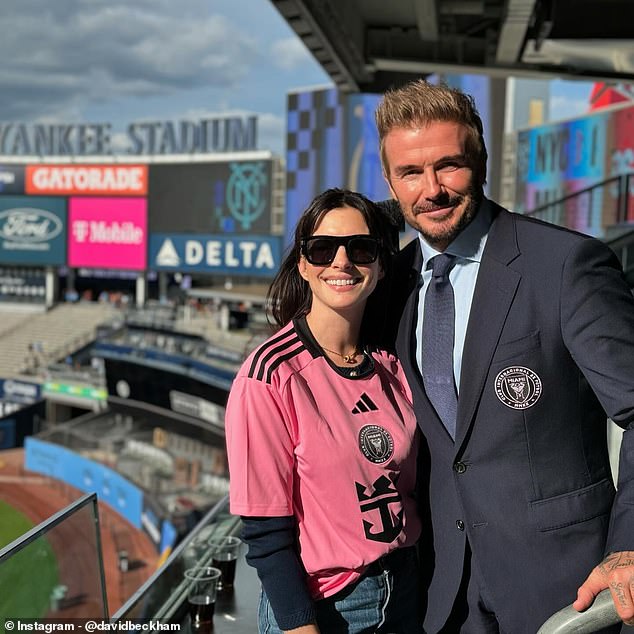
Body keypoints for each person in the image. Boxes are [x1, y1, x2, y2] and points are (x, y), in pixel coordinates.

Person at [371, 79, 634, 633]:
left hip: (566, 591)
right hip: (442, 596)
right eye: (410, 173)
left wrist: (628, 549)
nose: (432, 189)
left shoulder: (565, 266)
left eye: (449, 165)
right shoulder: (388, 286)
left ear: (482, 161)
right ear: (391, 182)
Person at [225, 188, 422, 633]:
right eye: (322, 249)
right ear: (302, 263)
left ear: (381, 263)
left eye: (361, 248)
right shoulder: (269, 376)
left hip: (406, 591)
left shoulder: (391, 364)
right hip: (327, 609)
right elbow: (264, 528)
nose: (341, 261)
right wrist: (299, 625)